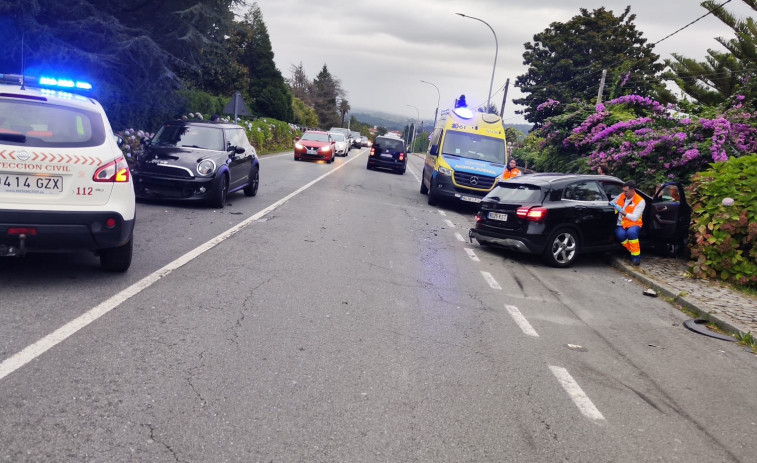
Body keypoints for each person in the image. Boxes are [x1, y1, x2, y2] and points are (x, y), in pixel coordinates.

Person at [614, 180, 646, 265]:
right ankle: (632, 252)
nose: (624, 193)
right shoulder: (622, 196)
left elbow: (635, 218)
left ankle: (636, 258)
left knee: (631, 233)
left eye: (626, 191)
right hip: (621, 224)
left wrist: (622, 211)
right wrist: (614, 206)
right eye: (623, 190)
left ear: (632, 190)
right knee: (621, 235)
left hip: (634, 224)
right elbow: (613, 202)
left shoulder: (640, 201)